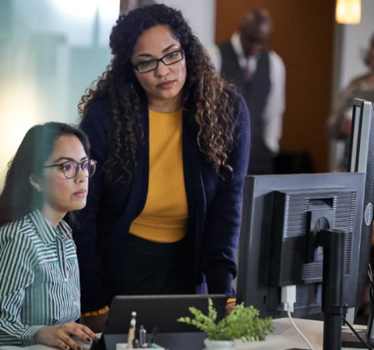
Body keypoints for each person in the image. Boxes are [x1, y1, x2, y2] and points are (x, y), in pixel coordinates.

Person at [73, 4, 250, 332]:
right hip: (119, 269)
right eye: (146, 63)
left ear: (188, 50)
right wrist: (92, 301)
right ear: (130, 69)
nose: (163, 71)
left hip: (188, 268)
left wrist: (223, 294)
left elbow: (226, 213)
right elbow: (83, 216)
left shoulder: (227, 111)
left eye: (171, 55)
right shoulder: (104, 118)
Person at [0, 123, 97, 350]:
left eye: (84, 165)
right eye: (67, 167)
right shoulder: (19, 239)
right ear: (35, 179)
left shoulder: (65, 236)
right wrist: (40, 333)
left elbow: (63, 327)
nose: (82, 177)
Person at [207, 8, 285, 175]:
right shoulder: (215, 56)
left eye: (261, 41)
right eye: (252, 39)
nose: (255, 46)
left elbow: (274, 109)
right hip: (222, 152)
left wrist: (270, 146)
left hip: (257, 156)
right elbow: (206, 105)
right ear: (241, 30)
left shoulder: (274, 63)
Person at [326, 32, 374, 171]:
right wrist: (341, 125)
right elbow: (330, 125)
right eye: (372, 46)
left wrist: (363, 129)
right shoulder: (355, 84)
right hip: (348, 166)